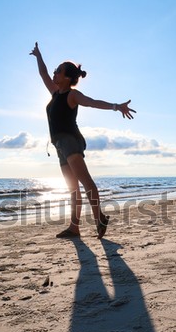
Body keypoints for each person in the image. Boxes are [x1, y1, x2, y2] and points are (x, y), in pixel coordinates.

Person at [30, 42, 136, 239]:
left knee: (86, 182)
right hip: (59, 145)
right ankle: (74, 228)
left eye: (58, 71)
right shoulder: (55, 93)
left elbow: (92, 103)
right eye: (55, 70)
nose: (54, 73)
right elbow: (43, 74)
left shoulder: (72, 95)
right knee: (72, 188)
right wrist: (38, 57)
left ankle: (99, 219)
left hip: (70, 141)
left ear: (67, 77)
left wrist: (116, 106)